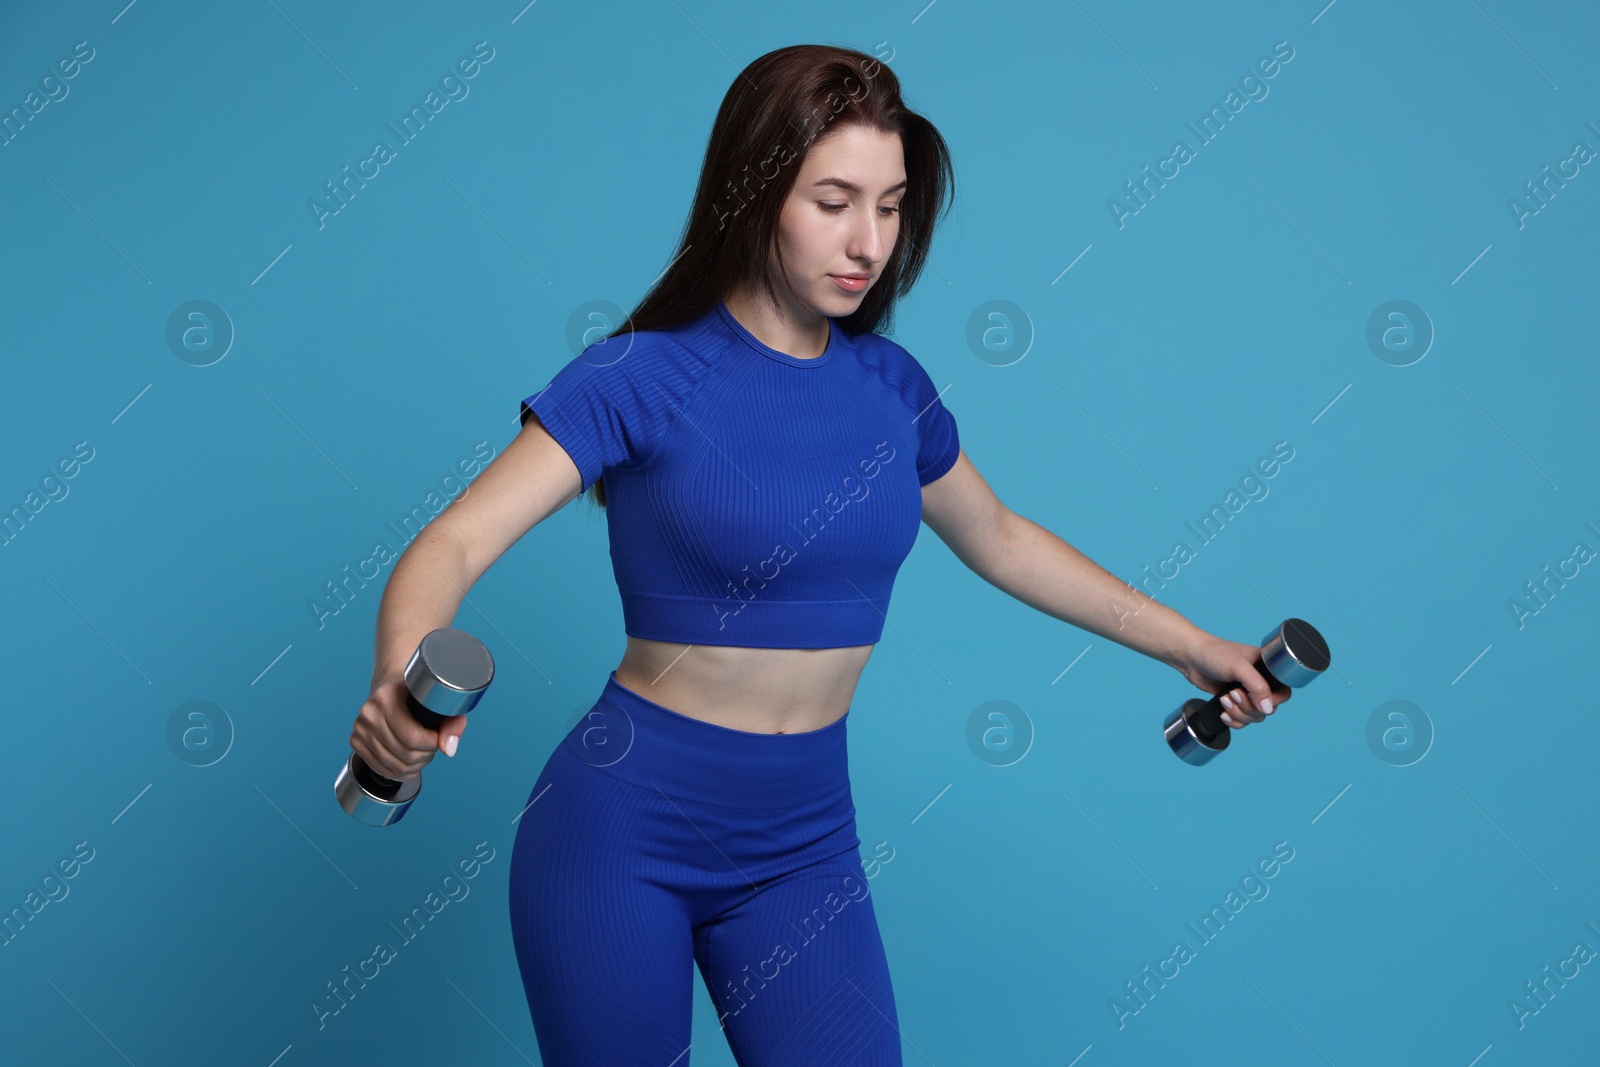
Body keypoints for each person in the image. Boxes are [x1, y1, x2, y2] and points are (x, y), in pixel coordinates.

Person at [347, 43, 1291, 1066]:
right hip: (621, 831)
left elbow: (1003, 539)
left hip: (802, 842)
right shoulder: (640, 375)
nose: (867, 240)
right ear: (754, 194)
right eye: (834, 199)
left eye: (888, 205)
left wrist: (1187, 643)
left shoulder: (891, 387)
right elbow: (455, 538)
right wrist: (403, 674)